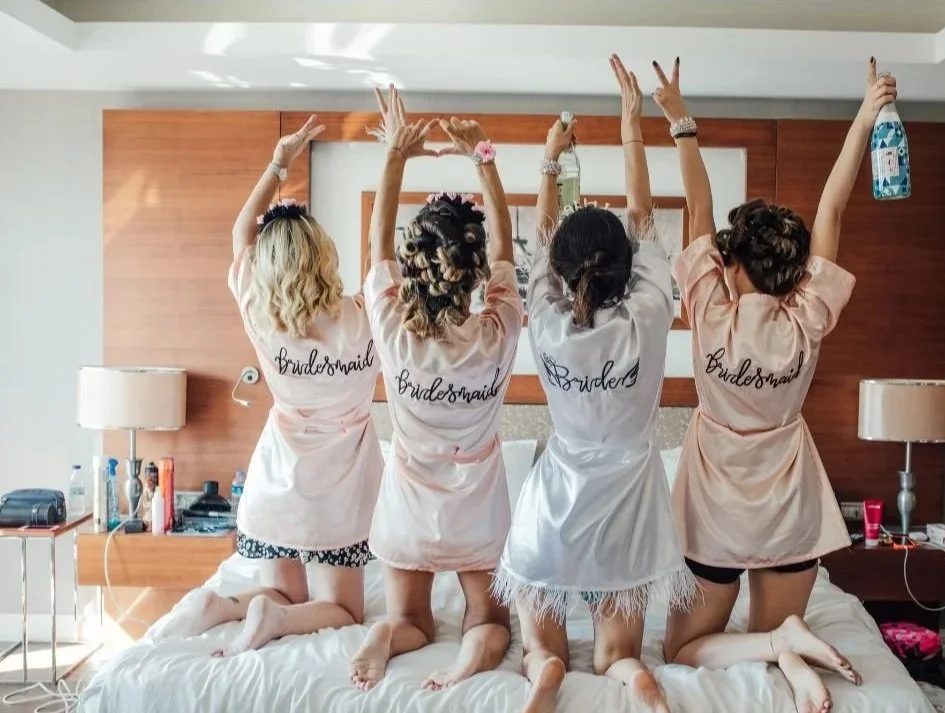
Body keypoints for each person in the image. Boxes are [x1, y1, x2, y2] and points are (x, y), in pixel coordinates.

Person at [657, 58, 897, 713]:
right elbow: (834, 206)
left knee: (680, 650)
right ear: (791, 272)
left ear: (731, 264)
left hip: (715, 511)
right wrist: (866, 112)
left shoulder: (708, 311)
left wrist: (681, 121)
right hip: (790, 507)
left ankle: (777, 645)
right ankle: (787, 642)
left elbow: (697, 204)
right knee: (768, 620)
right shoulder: (807, 316)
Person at [493, 55, 695, 713]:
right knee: (617, 650)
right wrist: (633, 123)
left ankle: (546, 671)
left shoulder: (546, 319)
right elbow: (642, 211)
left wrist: (551, 161)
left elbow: (543, 235)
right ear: (630, 265)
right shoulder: (649, 313)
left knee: (539, 644)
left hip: (553, 503)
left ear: (561, 268)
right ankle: (634, 676)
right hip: (630, 500)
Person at [156, 115, 384, 656]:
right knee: (347, 610)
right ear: (324, 255)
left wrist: (279, 162)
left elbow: (240, 234)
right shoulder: (361, 318)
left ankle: (229, 606)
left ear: (267, 265)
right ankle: (274, 622)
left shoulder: (261, 313)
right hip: (338, 488)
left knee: (284, 589)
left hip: (278, 479)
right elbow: (382, 256)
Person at [348, 87, 523, 692]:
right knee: (492, 620)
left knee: (411, 621)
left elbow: (374, 250)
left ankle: (384, 637)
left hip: (408, 509)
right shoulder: (497, 332)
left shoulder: (394, 333)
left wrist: (395, 156)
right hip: (478, 514)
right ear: (473, 272)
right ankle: (469, 661)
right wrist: (484, 156)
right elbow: (505, 248)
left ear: (414, 265)